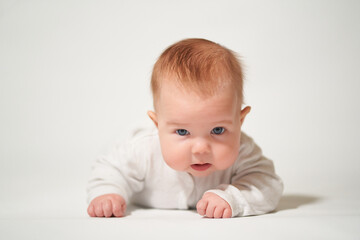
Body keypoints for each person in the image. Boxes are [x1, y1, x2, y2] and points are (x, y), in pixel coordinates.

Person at [86, 38, 283, 218]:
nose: (200, 149)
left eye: (217, 130)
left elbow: (268, 184)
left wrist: (232, 198)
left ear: (239, 121)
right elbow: (111, 169)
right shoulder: (143, 148)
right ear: (157, 125)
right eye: (182, 132)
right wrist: (108, 193)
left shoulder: (243, 150)